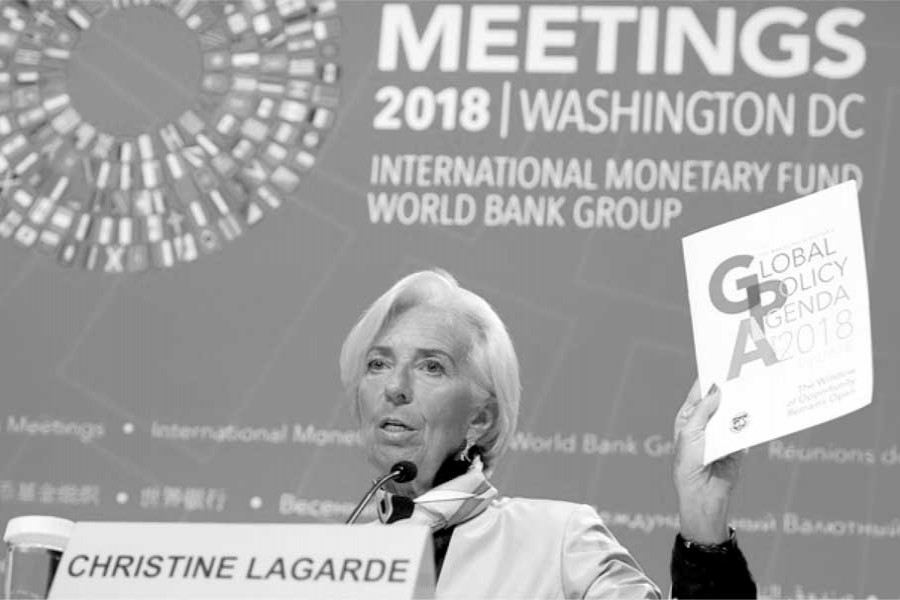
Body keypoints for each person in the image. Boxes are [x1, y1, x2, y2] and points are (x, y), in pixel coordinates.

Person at [339, 269, 756, 599]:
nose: (394, 387)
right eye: (377, 364)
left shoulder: (558, 540)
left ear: (480, 418)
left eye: (432, 366)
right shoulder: (324, 564)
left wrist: (703, 518)